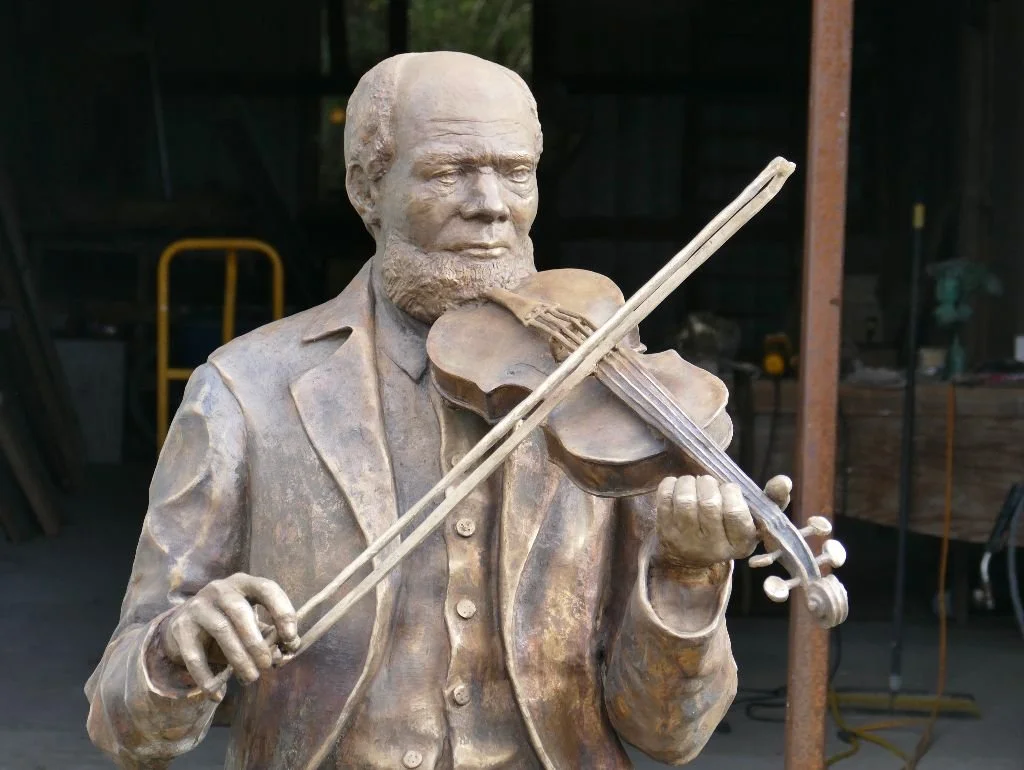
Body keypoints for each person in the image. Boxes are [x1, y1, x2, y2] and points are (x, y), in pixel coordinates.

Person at [85, 50, 792, 770]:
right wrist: (178, 649)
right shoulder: (244, 389)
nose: (492, 204)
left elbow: (669, 734)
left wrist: (685, 577)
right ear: (367, 188)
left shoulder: (606, 399)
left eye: (516, 171)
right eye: (450, 171)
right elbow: (120, 725)